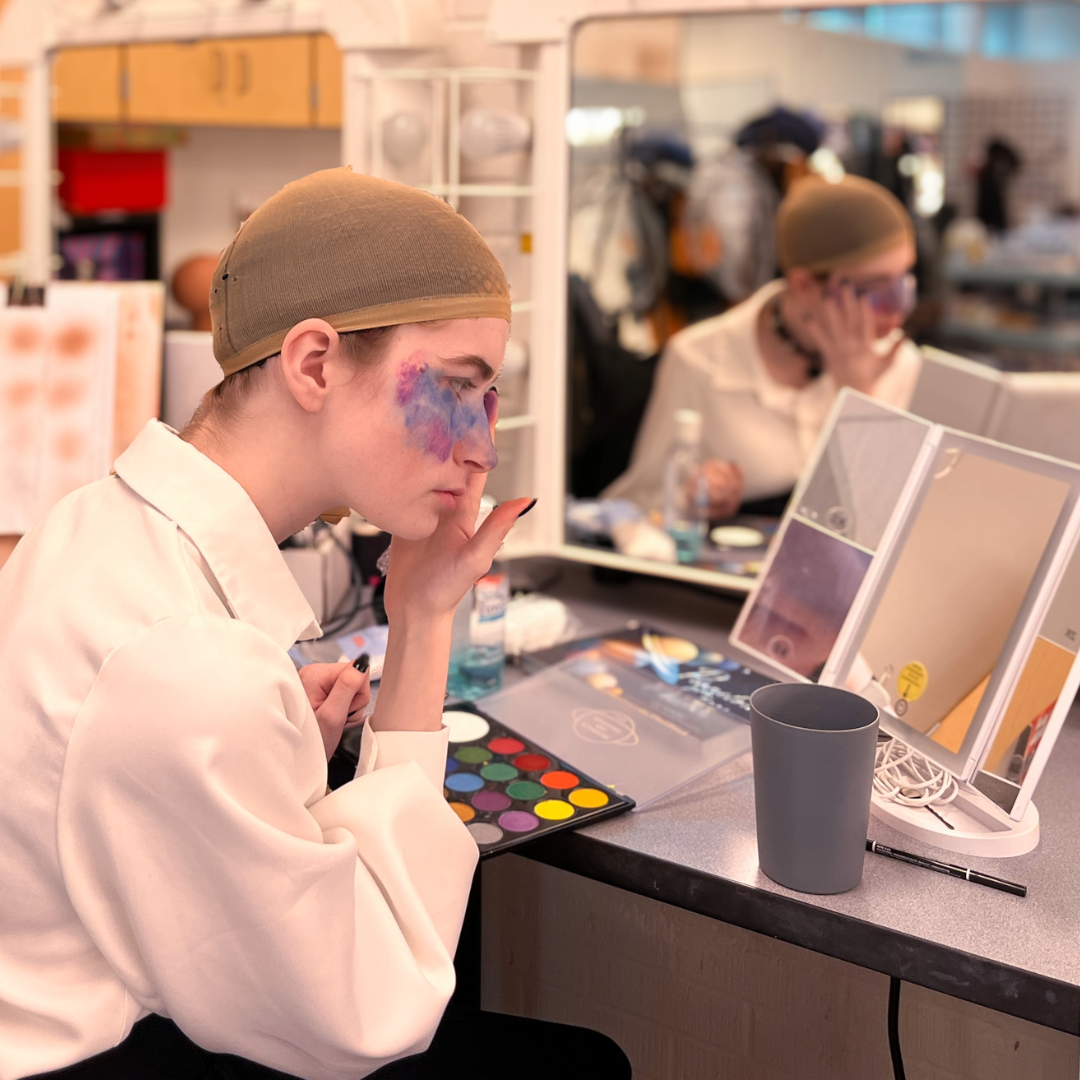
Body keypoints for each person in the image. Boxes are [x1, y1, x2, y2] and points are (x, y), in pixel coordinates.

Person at [0, 169, 630, 1080]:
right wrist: (418, 625)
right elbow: (375, 1008)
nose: (483, 446)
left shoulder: (88, 522)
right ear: (314, 363)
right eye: (458, 388)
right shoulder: (188, 667)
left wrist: (268, 746)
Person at [604, 174, 922, 520]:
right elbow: (633, 506)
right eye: (875, 292)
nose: (897, 310)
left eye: (904, 284)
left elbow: (884, 521)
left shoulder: (899, 363)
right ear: (803, 284)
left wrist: (859, 392)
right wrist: (691, 498)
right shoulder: (699, 359)